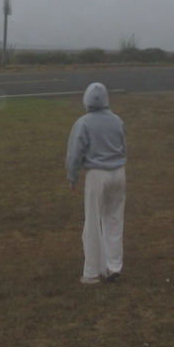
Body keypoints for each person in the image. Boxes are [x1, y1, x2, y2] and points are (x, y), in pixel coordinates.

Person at [65, 82, 126, 285]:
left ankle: (91, 272)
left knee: (92, 222)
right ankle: (113, 266)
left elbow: (74, 154)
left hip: (98, 175)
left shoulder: (83, 123)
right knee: (114, 220)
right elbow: (122, 146)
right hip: (119, 173)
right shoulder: (117, 120)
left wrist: (72, 177)